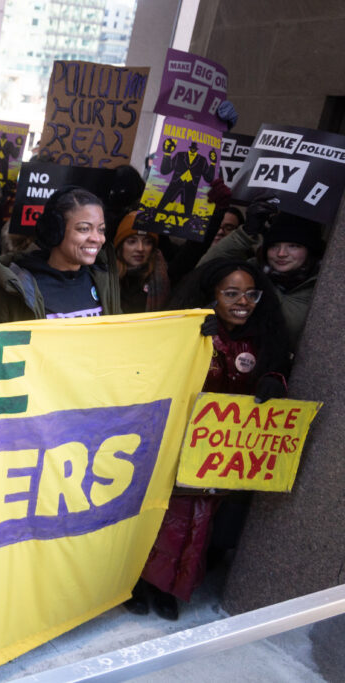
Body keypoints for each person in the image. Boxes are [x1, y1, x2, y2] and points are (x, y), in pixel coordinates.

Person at [131, 258, 290, 620]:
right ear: (212, 295)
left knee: (198, 526)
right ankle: (136, 583)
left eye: (251, 294)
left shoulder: (263, 336)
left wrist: (274, 378)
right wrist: (187, 339)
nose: (243, 302)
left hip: (219, 455)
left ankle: (168, 587)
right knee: (159, 518)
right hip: (174, 445)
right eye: (231, 293)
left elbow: (277, 367)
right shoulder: (196, 330)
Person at [198, 199, 322, 351]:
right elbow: (204, 271)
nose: (281, 254)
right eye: (274, 246)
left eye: (293, 246)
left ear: (309, 251)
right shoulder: (251, 272)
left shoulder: (321, 286)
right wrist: (245, 233)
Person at [0, 187, 120, 322]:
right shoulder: (15, 288)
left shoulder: (104, 281)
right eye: (84, 229)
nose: (97, 239)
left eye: (101, 230)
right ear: (55, 230)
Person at [112, 212, 170, 313]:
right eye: (132, 241)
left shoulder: (162, 273)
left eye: (147, 242)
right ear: (121, 246)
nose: (140, 248)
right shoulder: (104, 277)